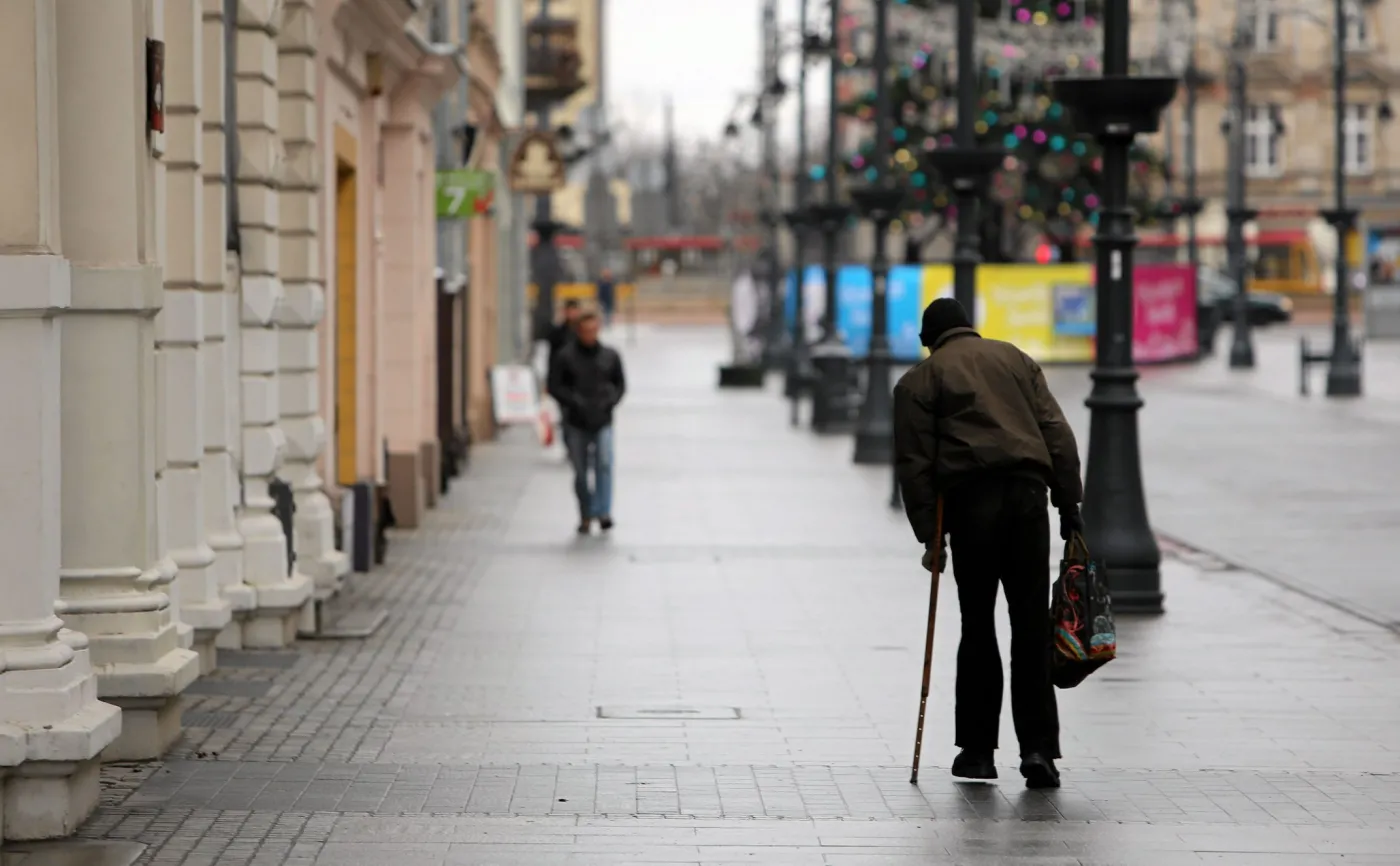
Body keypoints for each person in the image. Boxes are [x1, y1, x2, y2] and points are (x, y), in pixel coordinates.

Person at [892, 297, 1084, 790]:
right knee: (1030, 625)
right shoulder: (1015, 359)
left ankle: (977, 753)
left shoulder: (919, 380)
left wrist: (931, 538)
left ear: (928, 341)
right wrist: (1069, 504)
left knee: (977, 624)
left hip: (970, 505)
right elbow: (1055, 431)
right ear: (969, 328)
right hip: (1027, 498)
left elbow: (915, 466)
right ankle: (1039, 750)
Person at [547, 307, 626, 534]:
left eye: (593, 330)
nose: (590, 335)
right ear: (578, 331)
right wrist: (573, 402)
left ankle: (603, 511)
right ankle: (586, 512)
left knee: (604, 463)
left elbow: (620, 384)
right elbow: (555, 385)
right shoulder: (566, 356)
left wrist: (610, 401)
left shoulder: (610, 356)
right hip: (576, 421)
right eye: (585, 330)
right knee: (580, 472)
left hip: (603, 419)